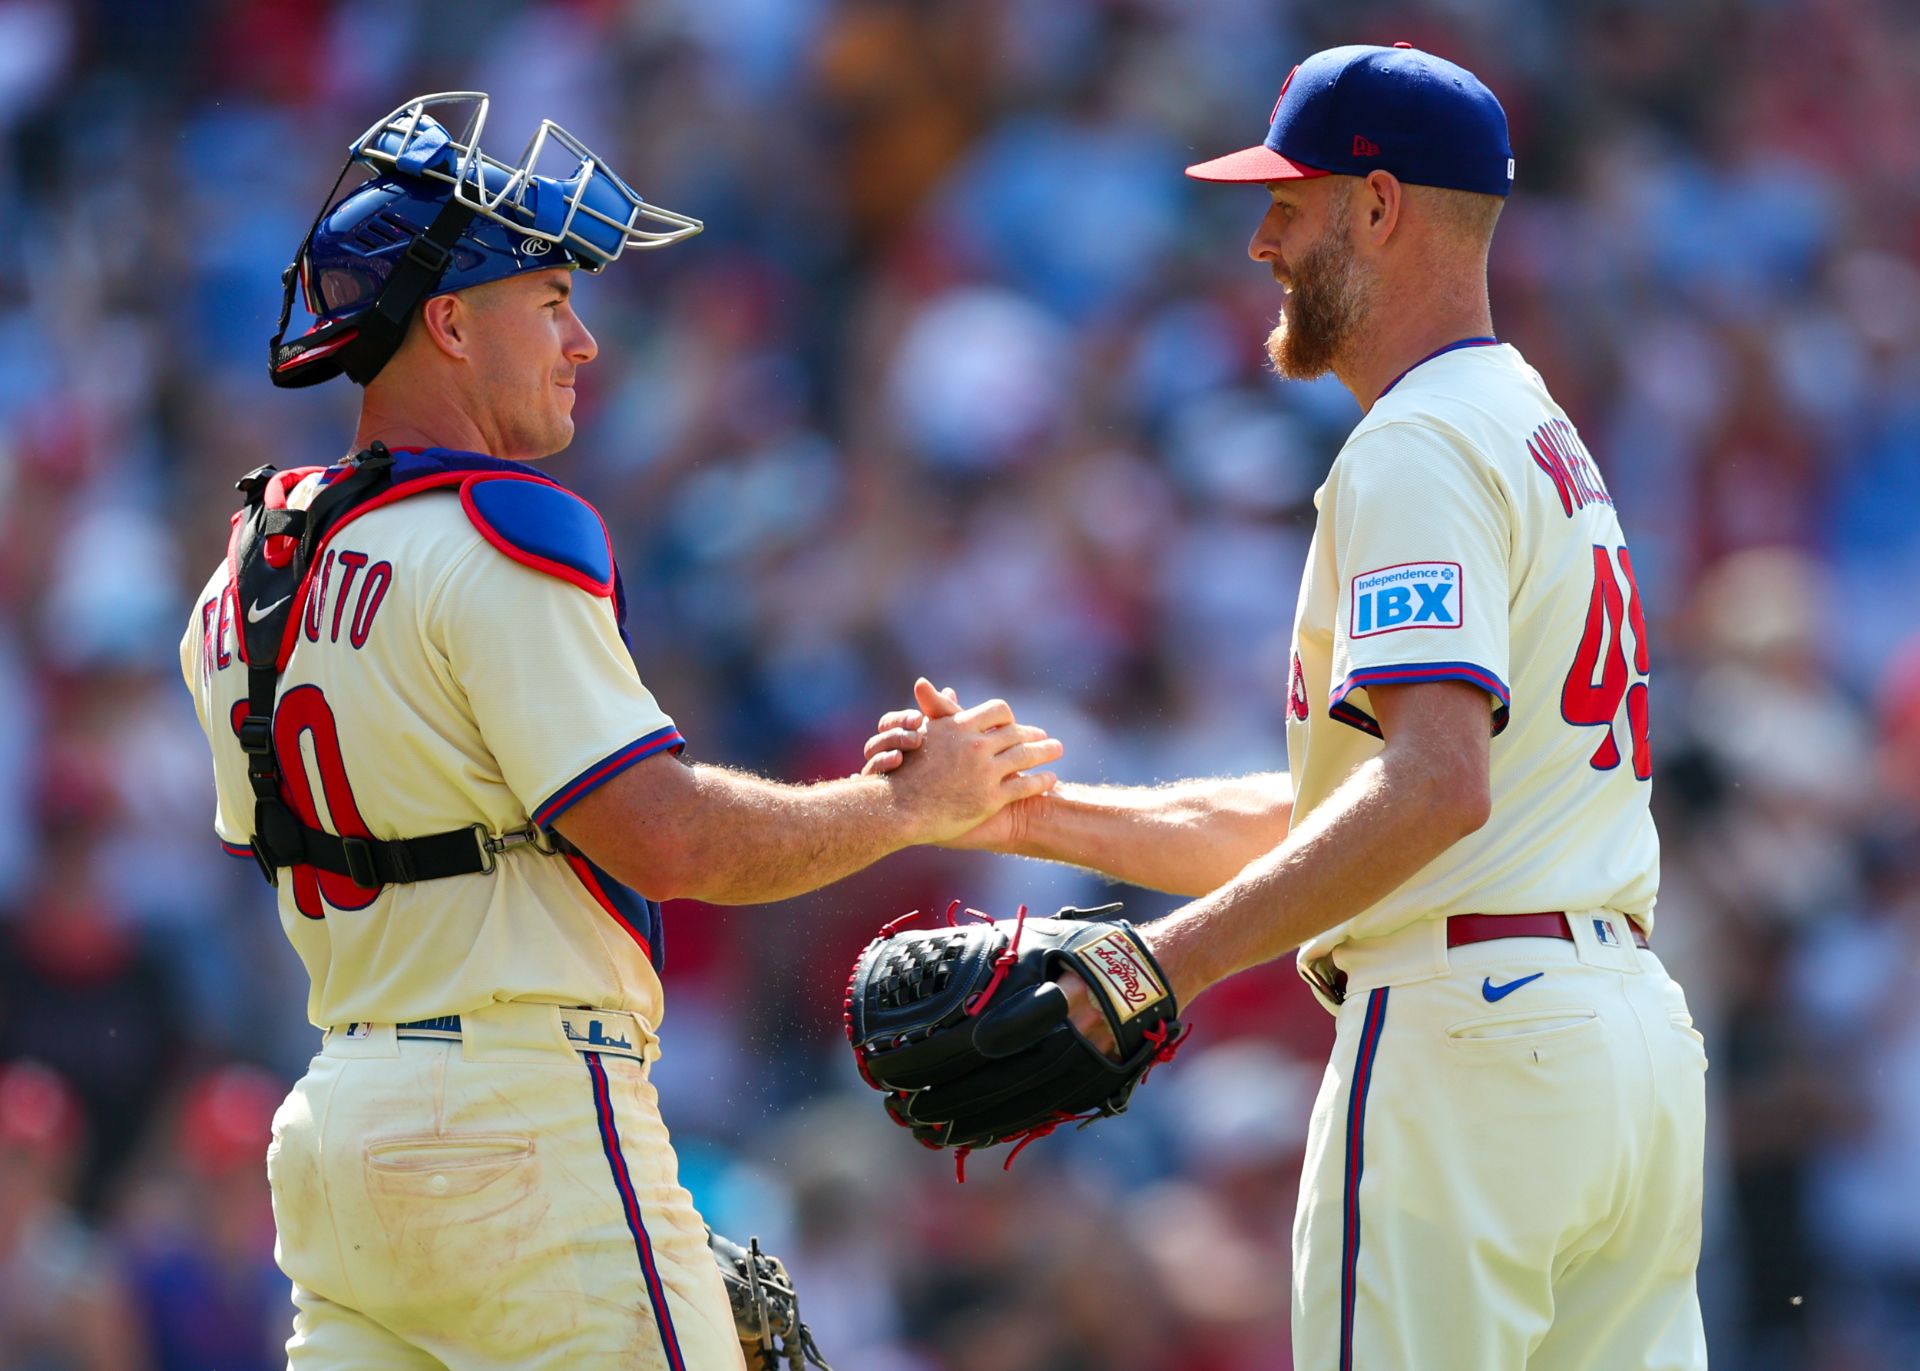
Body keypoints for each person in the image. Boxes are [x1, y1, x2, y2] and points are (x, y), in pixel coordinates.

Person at [179, 94, 1059, 1370]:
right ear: (448, 322)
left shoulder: (240, 579)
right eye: (549, 301)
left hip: (338, 1128)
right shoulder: (498, 530)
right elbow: (669, 841)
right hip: (522, 1115)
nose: (583, 339)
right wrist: (910, 808)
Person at [865, 44, 1707, 1371]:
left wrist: (1164, 963)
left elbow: (1432, 786)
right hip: (1617, 1047)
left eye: (1290, 201)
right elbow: (1355, 817)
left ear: (1379, 207)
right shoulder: (1528, 422)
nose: (1258, 240)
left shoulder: (1419, 441)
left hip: (1463, 1036)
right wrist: (1029, 809)